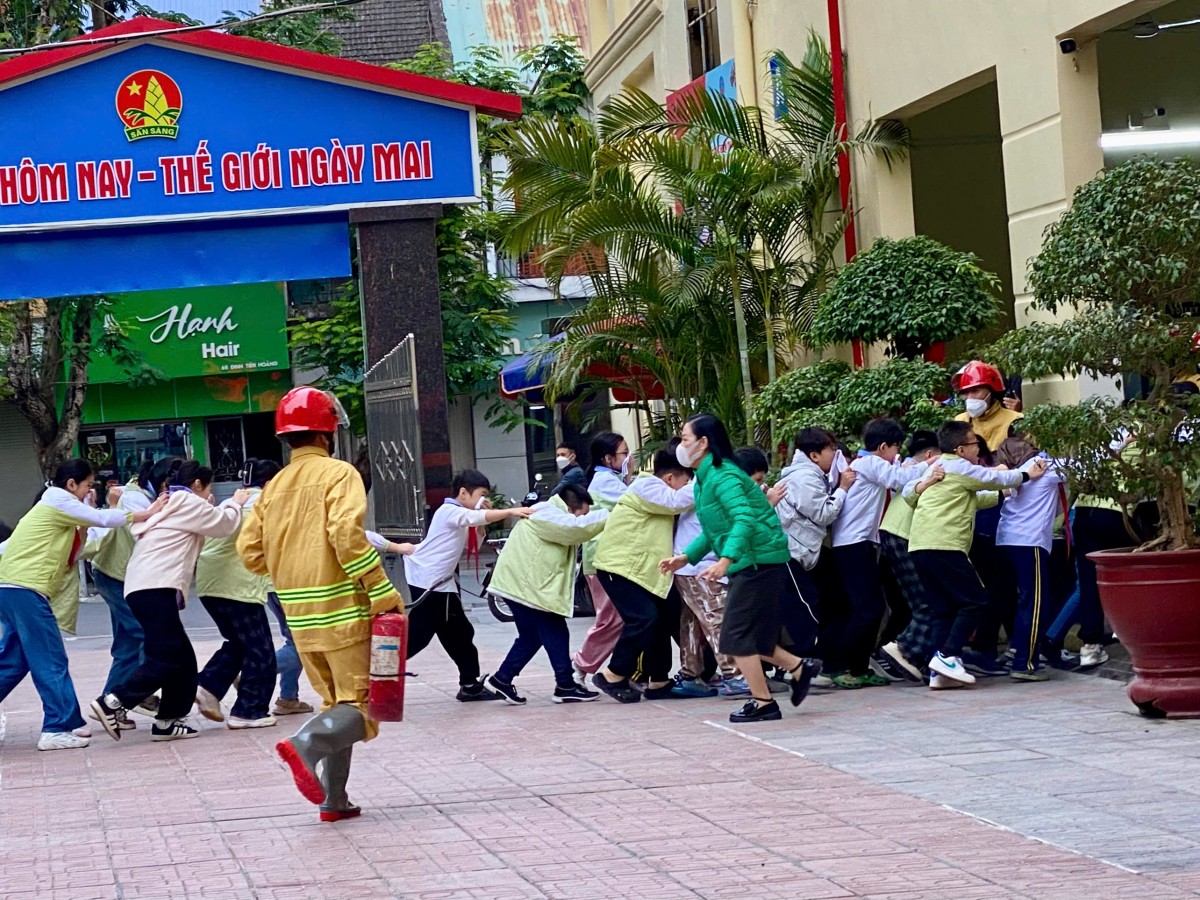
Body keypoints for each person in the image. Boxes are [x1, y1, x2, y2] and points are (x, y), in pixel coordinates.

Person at [237, 387, 405, 821]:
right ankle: (304, 746)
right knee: (363, 706)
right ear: (328, 432)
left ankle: (334, 800)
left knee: (337, 704)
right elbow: (347, 537)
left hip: (299, 618)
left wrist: (291, 559)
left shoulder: (273, 486)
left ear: (286, 437)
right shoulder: (338, 474)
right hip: (343, 612)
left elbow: (249, 552)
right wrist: (381, 590)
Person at [661, 414, 821, 723]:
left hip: (758, 560)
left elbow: (744, 519)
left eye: (684, 439)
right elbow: (715, 528)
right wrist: (687, 557)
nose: (681, 445)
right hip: (751, 560)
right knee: (753, 638)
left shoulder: (723, 476)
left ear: (704, 443)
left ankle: (764, 703)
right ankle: (800, 669)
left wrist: (726, 559)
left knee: (736, 637)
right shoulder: (705, 479)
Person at [0, 459, 161, 751]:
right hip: (25, 589)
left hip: (13, 588)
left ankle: (69, 722)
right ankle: (56, 727)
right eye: (87, 486)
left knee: (14, 661)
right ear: (71, 484)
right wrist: (146, 513)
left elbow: (80, 549)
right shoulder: (57, 499)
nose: (90, 492)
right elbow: (102, 520)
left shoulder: (54, 513)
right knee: (50, 660)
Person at [91, 460, 247, 742]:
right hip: (154, 587)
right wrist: (234, 502)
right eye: (207, 488)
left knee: (183, 658)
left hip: (145, 587)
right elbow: (225, 525)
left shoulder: (171, 502)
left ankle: (168, 721)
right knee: (166, 658)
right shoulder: (188, 502)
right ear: (197, 485)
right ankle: (113, 702)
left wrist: (211, 507)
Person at [906, 420, 1046, 689]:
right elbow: (995, 477)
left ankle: (940, 673)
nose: (977, 450)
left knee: (943, 610)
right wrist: (1027, 475)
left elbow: (973, 497)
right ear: (960, 449)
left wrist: (1004, 494)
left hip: (921, 545)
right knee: (977, 601)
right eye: (973, 444)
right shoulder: (960, 467)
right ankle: (947, 656)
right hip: (944, 544)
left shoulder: (938, 468)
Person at [388, 469, 532, 701]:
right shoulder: (448, 511)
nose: (483, 500)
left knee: (459, 633)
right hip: (430, 582)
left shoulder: (459, 515)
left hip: (441, 584)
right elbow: (472, 519)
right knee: (419, 636)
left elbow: (470, 540)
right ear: (463, 493)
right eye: (481, 494)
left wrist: (482, 524)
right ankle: (372, 671)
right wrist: (511, 511)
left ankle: (470, 685)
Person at [484, 483, 609, 704]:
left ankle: (502, 679)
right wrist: (612, 513)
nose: (583, 518)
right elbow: (574, 528)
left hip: (520, 585)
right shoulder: (545, 512)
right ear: (572, 507)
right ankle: (565, 685)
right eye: (583, 512)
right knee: (555, 630)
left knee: (531, 637)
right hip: (527, 587)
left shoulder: (548, 512)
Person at [825, 418, 927, 688]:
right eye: (895, 447)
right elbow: (901, 480)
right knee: (867, 610)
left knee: (870, 609)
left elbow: (895, 474)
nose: (897, 453)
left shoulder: (866, 464)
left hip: (858, 544)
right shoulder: (870, 463)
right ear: (883, 446)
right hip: (854, 545)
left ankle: (857, 668)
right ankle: (838, 666)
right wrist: (929, 464)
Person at [592, 449, 695, 703]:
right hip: (619, 566)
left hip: (643, 570)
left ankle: (659, 681)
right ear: (670, 478)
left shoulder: (656, 489)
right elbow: (677, 502)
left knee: (659, 619)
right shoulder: (645, 486)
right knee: (643, 618)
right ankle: (612, 674)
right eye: (686, 481)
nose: (687, 487)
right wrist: (706, 480)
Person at [193, 459, 282, 728]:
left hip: (210, 584)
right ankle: (249, 711)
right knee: (261, 651)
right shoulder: (264, 507)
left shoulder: (230, 503)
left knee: (240, 644)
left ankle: (207, 687)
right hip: (237, 586)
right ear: (270, 484)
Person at [88, 458, 174, 725]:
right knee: (143, 634)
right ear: (163, 481)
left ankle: (107, 703)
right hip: (115, 575)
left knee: (127, 644)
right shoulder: (135, 497)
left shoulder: (141, 494)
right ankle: (135, 694)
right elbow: (145, 534)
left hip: (114, 573)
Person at [775, 428, 857, 666]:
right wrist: (843, 488)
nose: (836, 453)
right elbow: (824, 513)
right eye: (831, 449)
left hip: (805, 552)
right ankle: (802, 664)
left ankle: (816, 660)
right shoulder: (805, 478)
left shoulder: (813, 476)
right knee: (806, 608)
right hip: (790, 553)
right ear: (814, 455)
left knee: (831, 600)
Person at [995, 435, 1066, 682]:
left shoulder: (1014, 474)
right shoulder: (1042, 467)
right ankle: (1024, 663)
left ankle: (1017, 648)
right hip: (1029, 542)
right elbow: (1085, 464)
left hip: (1007, 540)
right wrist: (1123, 440)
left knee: (1024, 601)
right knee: (1035, 604)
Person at [876, 431, 944, 683]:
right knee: (929, 601)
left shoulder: (912, 469)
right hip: (905, 535)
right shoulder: (935, 468)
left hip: (893, 533)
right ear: (929, 455)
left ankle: (914, 656)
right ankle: (903, 648)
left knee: (916, 602)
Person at [572, 432, 632, 680]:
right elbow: (637, 502)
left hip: (612, 558)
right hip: (601, 560)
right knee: (611, 619)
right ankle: (580, 665)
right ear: (608, 458)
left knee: (623, 618)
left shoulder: (610, 479)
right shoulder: (604, 482)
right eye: (624, 454)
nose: (628, 458)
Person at [952, 360, 1023, 453]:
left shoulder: (1015, 420)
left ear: (992, 391)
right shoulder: (959, 421)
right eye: (965, 393)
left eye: (975, 391)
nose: (969, 398)